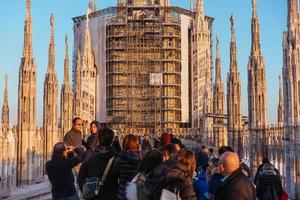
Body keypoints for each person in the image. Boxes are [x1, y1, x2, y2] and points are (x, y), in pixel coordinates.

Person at [77, 128, 118, 200]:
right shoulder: (117, 158)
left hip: (92, 196)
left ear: (98, 139)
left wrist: (87, 192)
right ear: (112, 140)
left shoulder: (89, 157)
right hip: (111, 195)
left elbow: (80, 179)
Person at [114, 134, 142, 200]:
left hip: (123, 193)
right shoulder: (141, 157)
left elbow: (115, 174)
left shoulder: (120, 157)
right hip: (136, 193)